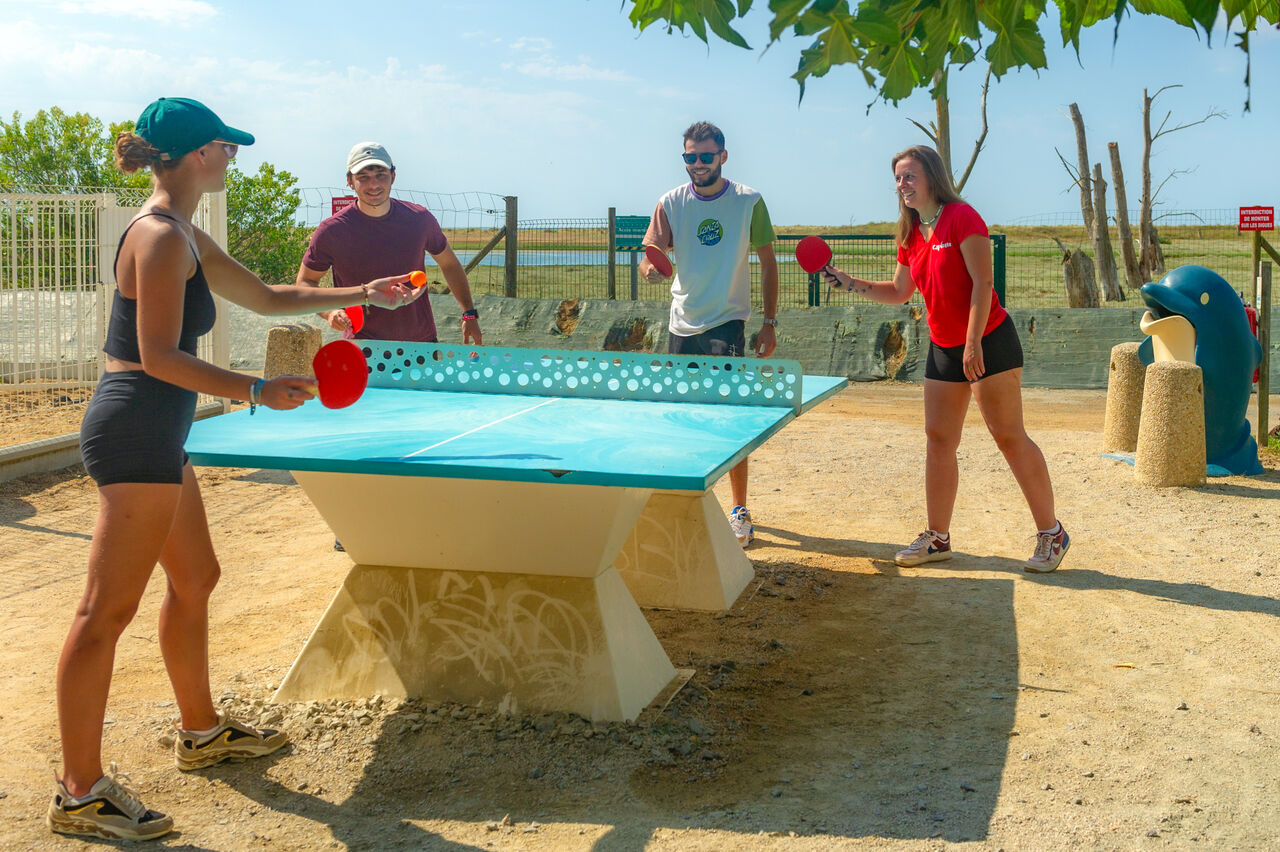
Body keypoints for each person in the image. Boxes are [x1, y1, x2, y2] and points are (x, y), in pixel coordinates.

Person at [49, 97, 424, 842]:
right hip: (135, 428)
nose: (232, 157)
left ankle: (200, 731)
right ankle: (79, 792)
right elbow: (158, 356)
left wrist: (366, 292)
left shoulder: (184, 232)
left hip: (159, 427)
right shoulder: (160, 237)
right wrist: (255, 390)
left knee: (196, 578)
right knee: (105, 613)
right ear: (197, 154)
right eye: (226, 147)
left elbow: (270, 296)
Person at [820, 145, 1069, 573]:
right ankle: (937, 538)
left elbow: (982, 283)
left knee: (1008, 436)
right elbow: (900, 292)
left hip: (988, 339)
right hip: (944, 346)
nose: (902, 185)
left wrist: (972, 343)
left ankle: (1052, 534)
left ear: (932, 178)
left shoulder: (962, 217)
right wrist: (848, 282)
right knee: (938, 439)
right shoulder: (910, 233)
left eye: (910, 176)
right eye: (898, 178)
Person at [638, 121, 778, 546]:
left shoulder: (749, 201)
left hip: (727, 321)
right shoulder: (670, 202)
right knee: (683, 416)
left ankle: (739, 510)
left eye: (705, 156)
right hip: (681, 323)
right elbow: (650, 256)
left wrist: (769, 322)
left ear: (723, 156)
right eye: (690, 156)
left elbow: (769, 263)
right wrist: (649, 272)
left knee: (729, 416)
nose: (697, 163)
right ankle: (687, 500)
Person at [297, 141, 482, 347]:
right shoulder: (331, 231)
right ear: (350, 181)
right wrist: (330, 312)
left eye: (380, 175)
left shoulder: (419, 219)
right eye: (363, 177)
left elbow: (449, 264)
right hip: (362, 347)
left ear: (393, 176)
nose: (373, 185)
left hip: (421, 345)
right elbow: (305, 283)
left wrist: (469, 314)